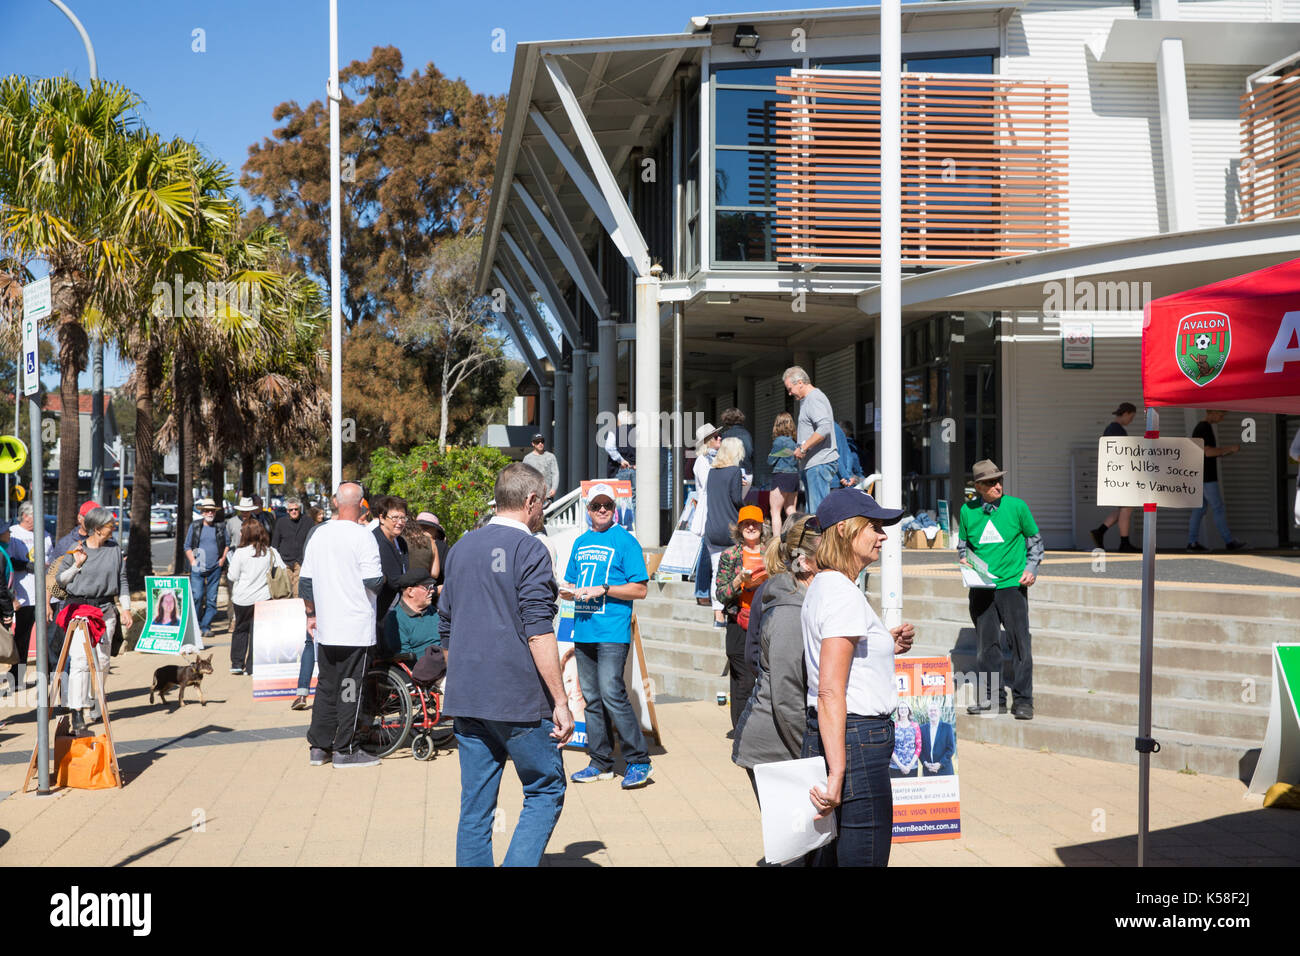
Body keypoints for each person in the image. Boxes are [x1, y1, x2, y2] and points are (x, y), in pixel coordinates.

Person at [437, 463, 573, 866]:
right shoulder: (530, 548)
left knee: (476, 807)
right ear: (530, 501)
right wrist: (561, 701)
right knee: (545, 790)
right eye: (544, 502)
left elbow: (445, 623)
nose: (544, 511)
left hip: (467, 696)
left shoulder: (461, 547)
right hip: (518, 699)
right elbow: (538, 631)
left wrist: (457, 676)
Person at [802, 488, 915, 867]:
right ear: (847, 531)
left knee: (831, 856)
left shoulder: (825, 585)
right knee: (862, 855)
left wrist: (885, 643)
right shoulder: (841, 593)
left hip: (843, 736)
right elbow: (830, 691)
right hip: (855, 739)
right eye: (875, 527)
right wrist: (837, 773)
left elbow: (841, 668)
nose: (883, 536)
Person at [562, 482, 653, 789]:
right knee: (591, 699)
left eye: (607, 506)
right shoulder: (580, 542)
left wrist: (604, 589)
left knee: (612, 694)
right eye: (595, 506)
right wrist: (568, 593)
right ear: (588, 510)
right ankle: (600, 761)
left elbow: (640, 588)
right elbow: (571, 584)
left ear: (615, 510)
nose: (601, 510)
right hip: (583, 629)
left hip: (612, 630)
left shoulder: (626, 541)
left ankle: (639, 760)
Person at [732, 513, 820, 802]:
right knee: (798, 844)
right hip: (774, 746)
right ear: (805, 560)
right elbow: (785, 691)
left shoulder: (805, 596)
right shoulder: (789, 607)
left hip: (783, 738)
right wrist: (812, 757)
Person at [299, 481, 384, 769]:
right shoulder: (363, 537)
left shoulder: (318, 535)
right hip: (355, 628)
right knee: (350, 687)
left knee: (326, 685)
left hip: (326, 627)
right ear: (361, 505)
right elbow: (373, 581)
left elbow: (305, 582)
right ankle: (346, 748)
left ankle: (318, 747)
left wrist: (311, 614)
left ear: (335, 502)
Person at [958, 459, 1043, 720]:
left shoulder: (1017, 507)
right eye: (991, 482)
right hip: (981, 588)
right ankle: (994, 699)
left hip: (1012, 586)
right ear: (979, 487)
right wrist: (965, 560)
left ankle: (1023, 700)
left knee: (1020, 643)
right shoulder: (967, 511)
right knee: (987, 647)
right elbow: (963, 547)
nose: (998, 485)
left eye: (999, 480)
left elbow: (1035, 542)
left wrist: (1031, 568)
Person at [54, 508, 131, 735]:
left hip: (105, 610)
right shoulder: (76, 550)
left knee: (103, 662)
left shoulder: (114, 550)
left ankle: (96, 699)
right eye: (110, 526)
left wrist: (125, 609)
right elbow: (61, 581)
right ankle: (77, 710)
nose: (113, 529)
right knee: (79, 660)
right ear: (97, 529)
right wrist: (77, 565)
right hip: (79, 610)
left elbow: (122, 579)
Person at [715, 505, 770, 729]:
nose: (750, 527)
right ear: (739, 528)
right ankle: (741, 730)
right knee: (743, 679)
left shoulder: (771, 552)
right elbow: (721, 594)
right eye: (745, 523)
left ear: (761, 526)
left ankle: (757, 727)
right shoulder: (730, 555)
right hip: (738, 621)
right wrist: (739, 581)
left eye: (754, 523)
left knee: (759, 676)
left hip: (765, 620)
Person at [226, 518, 286, 676]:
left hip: (242, 598)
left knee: (240, 629)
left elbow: (232, 576)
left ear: (246, 533)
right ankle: (253, 666)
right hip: (263, 597)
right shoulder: (269, 551)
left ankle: (237, 663)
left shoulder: (240, 553)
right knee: (257, 633)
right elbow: (282, 568)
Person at [1187, 410, 1247, 552]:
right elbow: (1207, 452)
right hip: (1207, 477)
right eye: (1221, 414)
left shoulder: (1200, 427)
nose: (1222, 418)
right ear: (1211, 412)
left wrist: (1225, 451)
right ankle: (1229, 541)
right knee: (1217, 507)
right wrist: (1229, 448)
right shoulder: (1204, 428)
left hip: (1199, 475)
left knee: (1199, 509)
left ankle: (1192, 543)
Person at [783, 365, 839, 514]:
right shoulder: (809, 399)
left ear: (800, 382)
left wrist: (803, 447)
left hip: (819, 464)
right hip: (814, 465)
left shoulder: (813, 398)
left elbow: (824, 428)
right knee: (814, 515)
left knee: (818, 515)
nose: (789, 393)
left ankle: (823, 538)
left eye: (790, 388)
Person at [8, 502, 51, 691]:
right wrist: (27, 565)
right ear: (25, 516)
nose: (39, 520)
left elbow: (52, 558)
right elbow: (8, 561)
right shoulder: (14, 533)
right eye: (35, 516)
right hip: (23, 595)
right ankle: (16, 677)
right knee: (22, 639)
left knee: (48, 638)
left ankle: (48, 675)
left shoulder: (46, 535)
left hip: (43, 596)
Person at [705, 437, 746, 628]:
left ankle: (717, 616)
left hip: (712, 528)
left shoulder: (712, 472)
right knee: (733, 572)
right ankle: (729, 610)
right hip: (730, 528)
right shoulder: (735, 471)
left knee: (717, 573)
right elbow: (736, 499)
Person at [1092, 402, 1139, 552]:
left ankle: (1100, 531)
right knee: (1127, 507)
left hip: (1115, 473)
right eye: (1131, 417)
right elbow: (1120, 453)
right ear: (1125, 413)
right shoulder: (1116, 430)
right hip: (1120, 473)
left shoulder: (1112, 429)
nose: (1131, 420)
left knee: (1125, 507)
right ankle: (1124, 543)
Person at [185, 498, 228, 640]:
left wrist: (222, 559)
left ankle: (206, 626)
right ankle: (196, 625)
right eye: (207, 510)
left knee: (211, 599)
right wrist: (192, 561)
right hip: (198, 568)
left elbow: (227, 544)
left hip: (215, 567)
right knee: (197, 596)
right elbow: (187, 546)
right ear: (202, 512)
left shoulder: (220, 526)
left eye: (212, 511)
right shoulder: (195, 526)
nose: (210, 513)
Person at [689, 423, 722, 608]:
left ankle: (704, 590)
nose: (720, 439)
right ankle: (702, 590)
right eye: (716, 437)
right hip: (708, 509)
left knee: (709, 551)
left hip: (715, 508)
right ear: (708, 441)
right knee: (705, 553)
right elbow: (708, 483)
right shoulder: (702, 461)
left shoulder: (714, 459)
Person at [380, 569, 441, 660]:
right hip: (423, 667)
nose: (432, 591)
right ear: (410, 591)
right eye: (428, 587)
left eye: (432, 587)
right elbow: (405, 656)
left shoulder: (432, 610)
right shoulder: (395, 619)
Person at [370, 495, 410, 633]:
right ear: (381, 518)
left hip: (394, 608)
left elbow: (405, 571)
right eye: (395, 518)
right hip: (378, 610)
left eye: (403, 518)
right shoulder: (375, 541)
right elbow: (394, 580)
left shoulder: (401, 542)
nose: (399, 522)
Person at [767, 412, 800, 537]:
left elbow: (771, 461)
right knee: (791, 509)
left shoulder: (778, 441)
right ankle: (796, 538)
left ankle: (776, 543)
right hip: (794, 476)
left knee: (775, 512)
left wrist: (771, 456)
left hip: (781, 476)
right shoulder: (794, 442)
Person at [271, 496, 314, 593]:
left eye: (296, 509)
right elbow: (275, 543)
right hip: (285, 561)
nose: (294, 511)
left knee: (297, 590)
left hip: (301, 561)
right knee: (286, 589)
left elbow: (312, 541)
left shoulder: (308, 521)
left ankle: (297, 607)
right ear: (287, 511)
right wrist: (278, 561)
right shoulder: (281, 522)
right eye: (291, 510)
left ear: (300, 509)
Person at [919, 701, 956, 776]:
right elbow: (920, 748)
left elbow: (951, 749)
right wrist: (925, 763)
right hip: (928, 771)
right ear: (928, 713)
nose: (933, 712)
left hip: (944, 771)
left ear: (940, 713)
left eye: (935, 710)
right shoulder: (922, 729)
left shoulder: (947, 727)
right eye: (930, 710)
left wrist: (940, 764)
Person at [522, 434, 560, 502]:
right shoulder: (527, 458)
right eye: (537, 442)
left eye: (542, 441)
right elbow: (523, 476)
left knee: (549, 512)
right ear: (533, 444)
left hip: (547, 495)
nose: (540, 444)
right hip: (532, 496)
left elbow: (555, 474)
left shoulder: (551, 457)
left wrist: (554, 488)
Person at [889, 703, 921, 778]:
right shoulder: (893, 726)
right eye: (901, 708)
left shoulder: (915, 726)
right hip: (895, 767)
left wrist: (910, 765)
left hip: (912, 767)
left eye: (905, 708)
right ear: (898, 711)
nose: (903, 710)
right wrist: (900, 765)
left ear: (909, 710)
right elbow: (890, 746)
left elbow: (919, 746)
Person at [604, 409, 637, 482]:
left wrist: (621, 460)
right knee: (635, 493)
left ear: (619, 421)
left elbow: (609, 447)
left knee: (620, 492)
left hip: (619, 469)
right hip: (635, 469)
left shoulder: (614, 432)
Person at [718, 407, 754, 474]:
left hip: (730, 472)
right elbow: (749, 452)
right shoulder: (747, 434)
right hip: (747, 471)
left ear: (726, 419)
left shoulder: (725, 435)